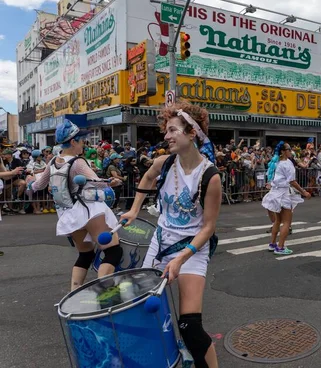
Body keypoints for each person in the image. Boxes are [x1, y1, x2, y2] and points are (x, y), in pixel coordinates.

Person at [120, 101, 221, 368]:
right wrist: (133, 210)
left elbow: (208, 227)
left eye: (173, 130)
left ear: (192, 133)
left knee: (189, 327)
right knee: (143, 309)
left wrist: (181, 259)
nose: (166, 136)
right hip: (161, 242)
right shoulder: (164, 163)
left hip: (192, 249)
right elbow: (147, 178)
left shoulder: (210, 176)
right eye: (166, 130)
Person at [26, 120, 123, 290]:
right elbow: (98, 183)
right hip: (88, 211)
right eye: (82, 140)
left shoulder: (54, 162)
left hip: (69, 215)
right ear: (73, 141)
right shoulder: (77, 162)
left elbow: (39, 185)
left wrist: (30, 184)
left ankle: (74, 293)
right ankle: (106, 293)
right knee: (113, 251)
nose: (84, 144)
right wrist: (112, 182)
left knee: (85, 255)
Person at [262, 141, 311, 255]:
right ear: (283, 152)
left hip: (275, 192)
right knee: (287, 222)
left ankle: (272, 244)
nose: (291, 151)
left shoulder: (277, 162)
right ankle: (280, 247)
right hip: (283, 194)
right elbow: (292, 181)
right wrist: (303, 192)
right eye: (289, 149)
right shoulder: (287, 163)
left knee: (278, 220)